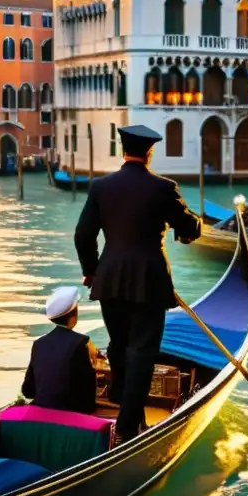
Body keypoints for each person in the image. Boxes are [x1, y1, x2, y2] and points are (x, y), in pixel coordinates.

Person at [74, 124, 202, 448]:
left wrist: (91, 271)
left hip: (110, 280)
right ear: (150, 152)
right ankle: (127, 428)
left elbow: (83, 236)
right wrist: (193, 228)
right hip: (149, 282)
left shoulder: (100, 186)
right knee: (141, 353)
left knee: (118, 346)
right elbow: (188, 226)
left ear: (122, 150)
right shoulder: (163, 187)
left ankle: (128, 408)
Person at [20, 286, 99, 415]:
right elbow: (88, 393)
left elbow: (28, 391)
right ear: (74, 313)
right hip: (72, 413)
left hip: (41, 409)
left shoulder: (38, 344)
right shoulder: (82, 342)